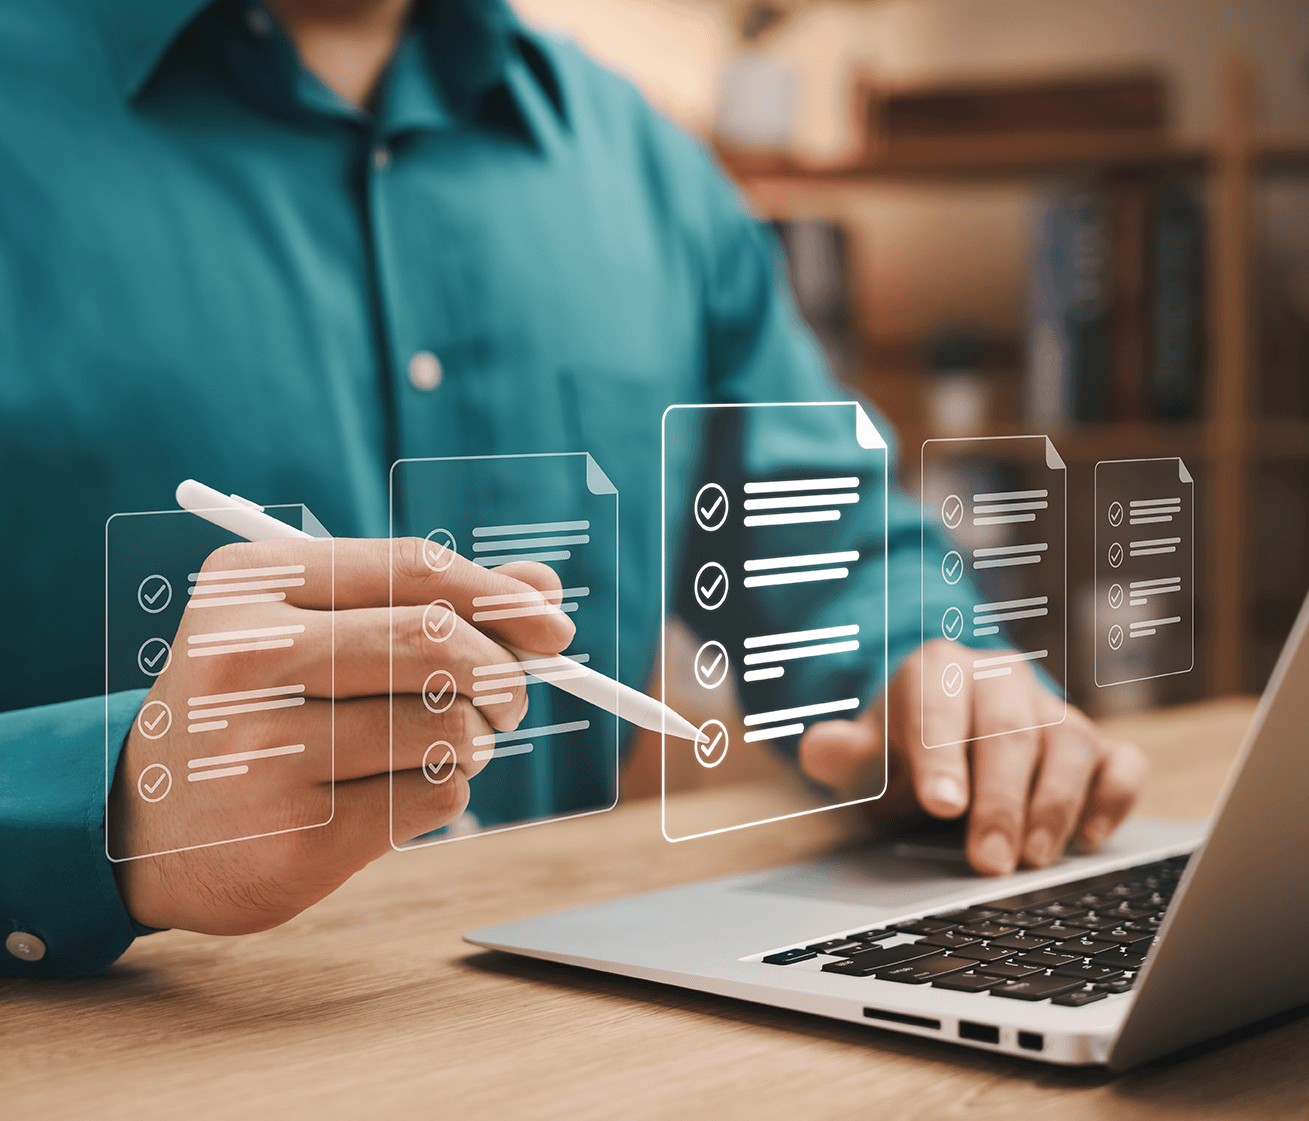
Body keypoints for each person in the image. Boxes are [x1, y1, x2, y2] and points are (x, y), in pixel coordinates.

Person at [0, 0, 1145, 978]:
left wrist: (933, 688)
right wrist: (109, 805)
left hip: (574, 1032)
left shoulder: (648, 168)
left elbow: (838, 551)